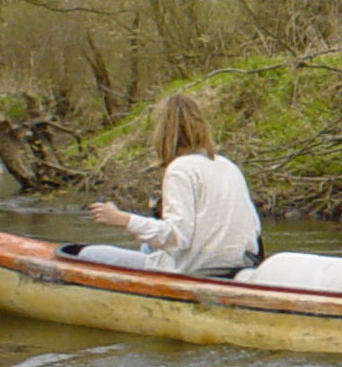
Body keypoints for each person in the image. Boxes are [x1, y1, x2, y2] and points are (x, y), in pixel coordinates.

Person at [80, 93, 263, 274]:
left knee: (86, 254)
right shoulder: (228, 165)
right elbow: (253, 230)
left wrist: (122, 219)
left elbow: (177, 236)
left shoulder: (180, 169)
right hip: (236, 265)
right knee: (147, 246)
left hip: (194, 269)